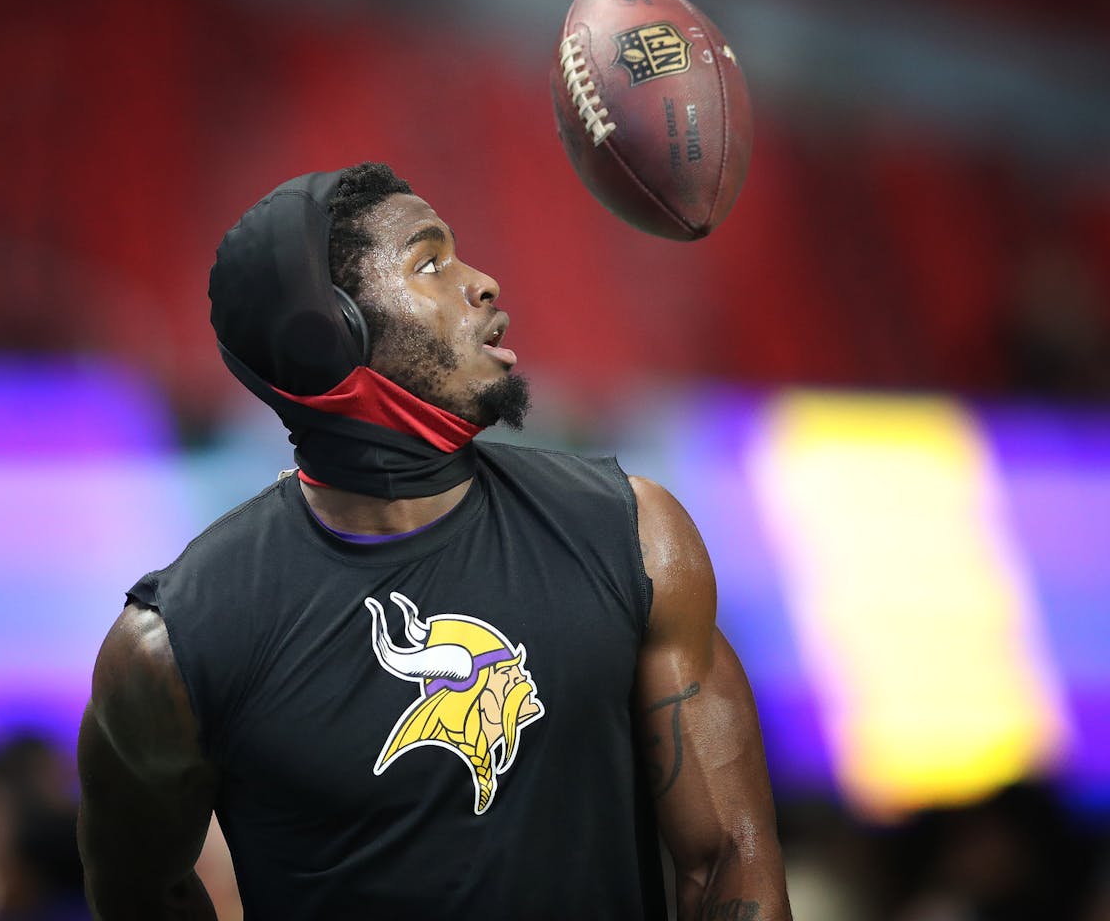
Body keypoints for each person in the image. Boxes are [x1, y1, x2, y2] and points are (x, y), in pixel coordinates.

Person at [76, 163, 790, 920]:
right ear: (326, 333)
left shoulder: (635, 536)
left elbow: (729, 863)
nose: (483, 282)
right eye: (430, 262)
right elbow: (139, 896)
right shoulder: (176, 642)